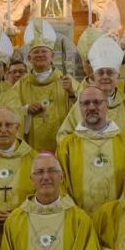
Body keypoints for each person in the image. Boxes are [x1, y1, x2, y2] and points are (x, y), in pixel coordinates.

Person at [56, 85, 125, 214]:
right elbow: (60, 183)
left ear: (107, 105)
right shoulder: (67, 145)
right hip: (80, 219)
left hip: (118, 217)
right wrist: (76, 215)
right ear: (80, 107)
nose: (91, 107)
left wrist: (120, 212)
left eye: (97, 102)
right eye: (86, 103)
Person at [17, 19, 77, 152]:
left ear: (52, 56)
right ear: (29, 58)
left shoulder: (66, 81)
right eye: (36, 52)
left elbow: (83, 111)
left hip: (60, 148)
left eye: (44, 51)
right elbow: (8, 111)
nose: (40, 55)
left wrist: (72, 94)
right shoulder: (20, 85)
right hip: (30, 148)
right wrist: (26, 110)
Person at [59, 35, 125, 137]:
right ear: (93, 76)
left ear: (118, 75)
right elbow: (63, 135)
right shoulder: (83, 103)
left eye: (110, 72)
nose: (105, 76)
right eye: (100, 73)